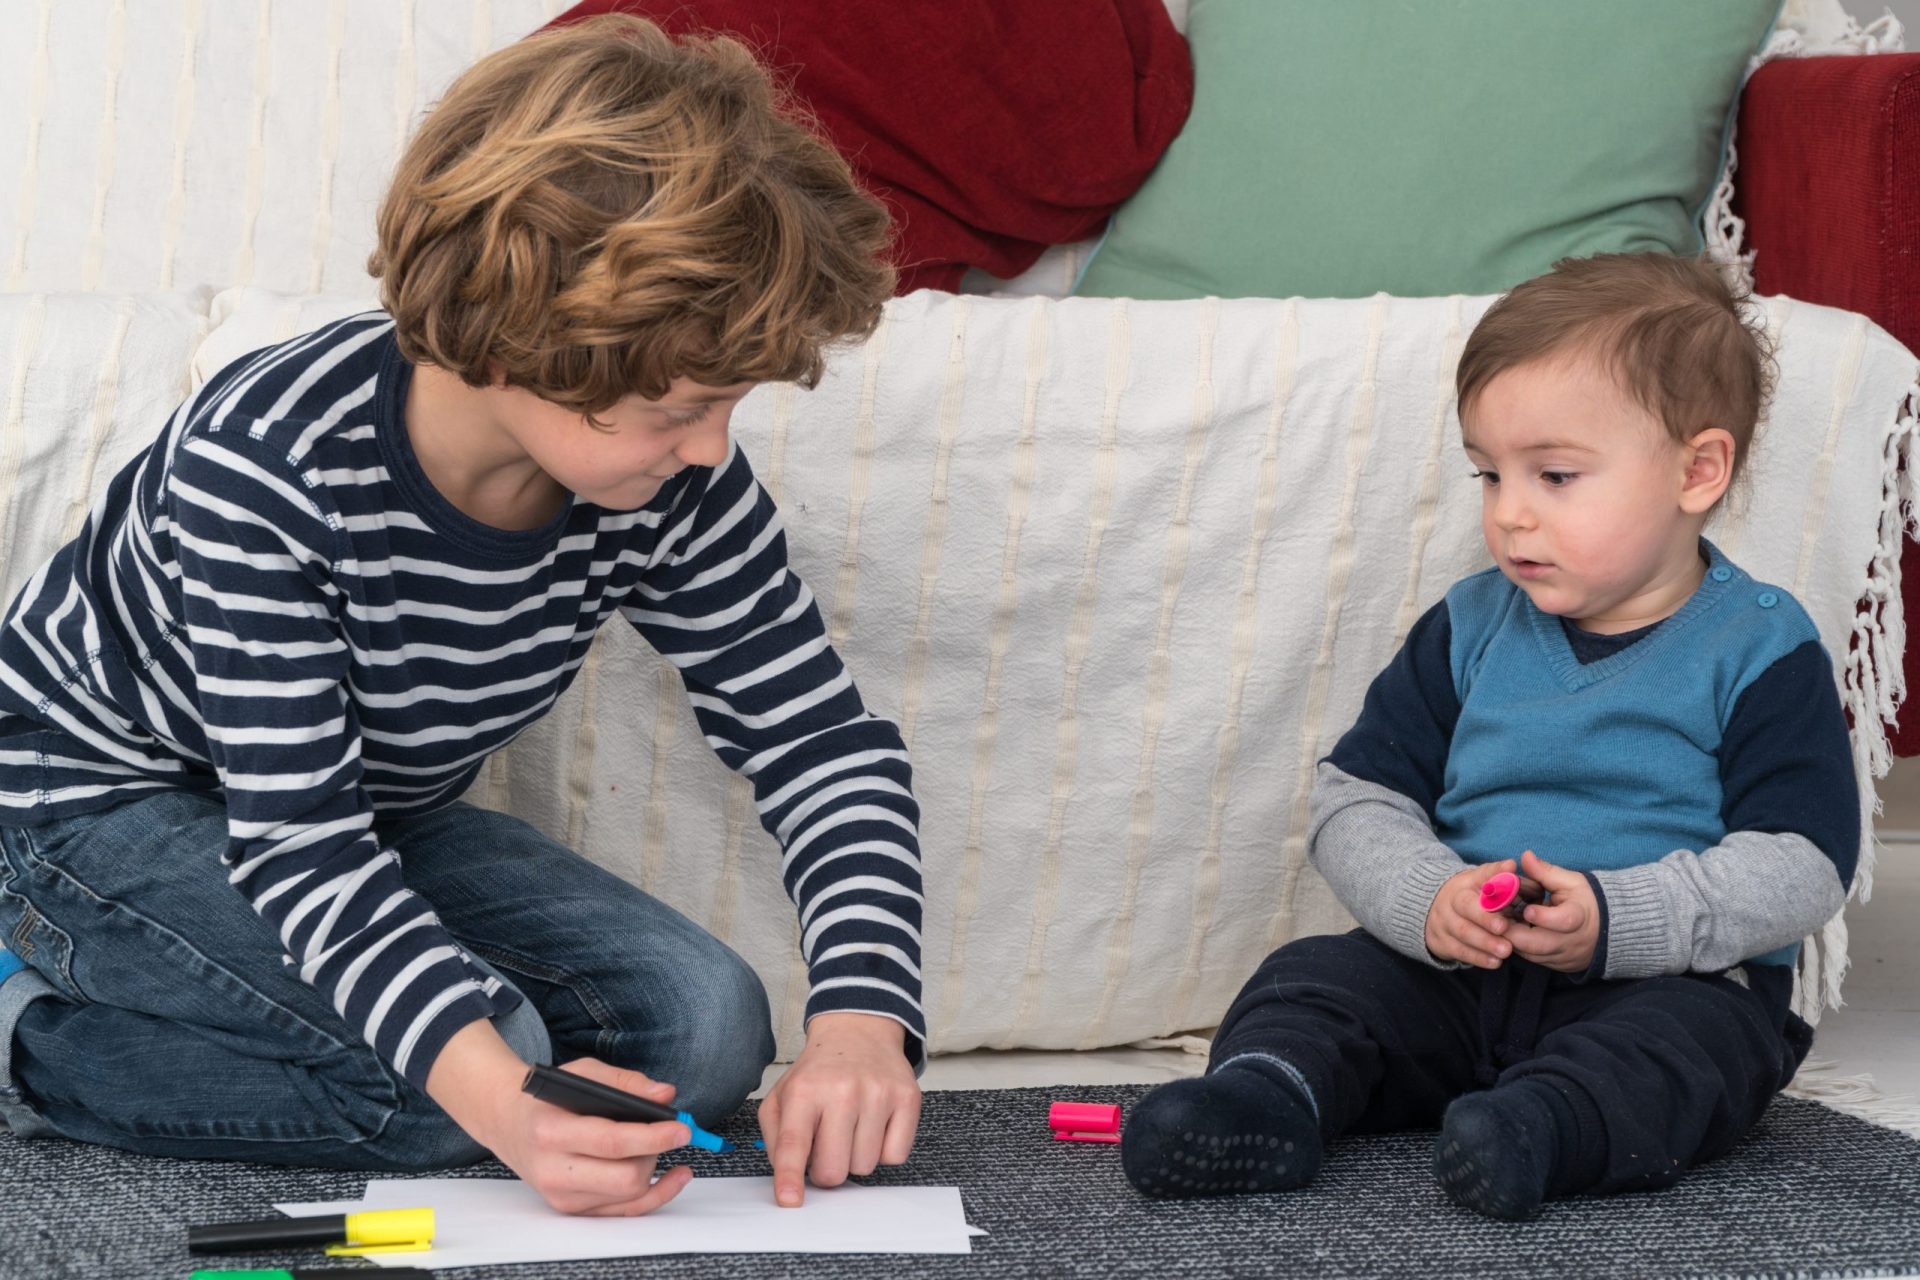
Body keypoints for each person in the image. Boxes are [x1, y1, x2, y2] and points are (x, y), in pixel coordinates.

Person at [0, 14, 924, 1217]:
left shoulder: (671, 485)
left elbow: (819, 744)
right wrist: (500, 1096)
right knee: (469, 1079)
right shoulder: (269, 461)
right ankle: (26, 1031)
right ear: (523, 343)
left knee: (706, 1031)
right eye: (683, 406)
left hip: (356, 815)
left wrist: (864, 1016)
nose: (710, 447)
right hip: (85, 806)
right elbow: (303, 847)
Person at [1119, 252, 1858, 1219]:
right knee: (1314, 979)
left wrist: (1617, 918)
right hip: (1460, 974)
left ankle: (1544, 1129)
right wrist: (1431, 899)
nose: (1509, 513)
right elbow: (1357, 797)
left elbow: (1804, 864)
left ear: (1697, 470)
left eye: (1554, 475)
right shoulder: (1472, 626)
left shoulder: (1760, 645)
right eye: (1488, 473)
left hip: (1663, 983)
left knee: (1693, 1052)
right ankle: (1267, 1100)